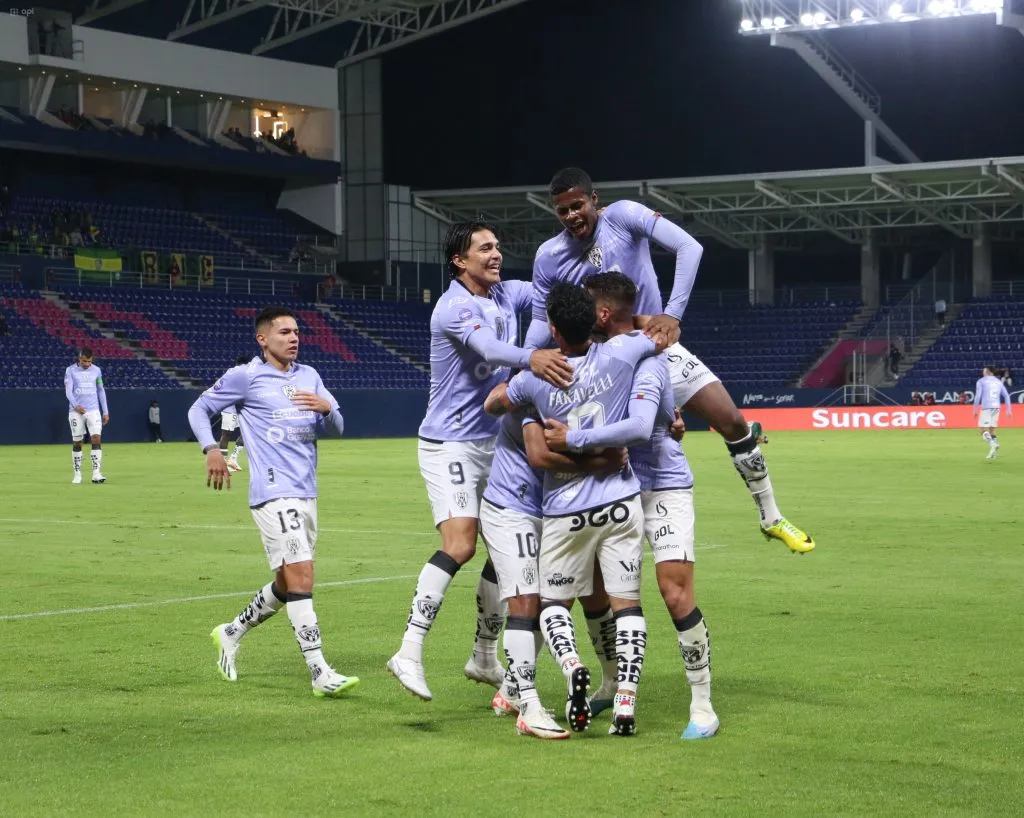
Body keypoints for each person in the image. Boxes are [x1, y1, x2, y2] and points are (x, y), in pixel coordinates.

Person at [528, 167, 814, 554]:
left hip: (655, 346)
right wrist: (528, 358)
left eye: (577, 206)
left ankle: (771, 517)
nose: (571, 216)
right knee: (598, 453)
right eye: (561, 211)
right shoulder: (549, 255)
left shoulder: (625, 215)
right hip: (601, 363)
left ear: (594, 200)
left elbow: (689, 247)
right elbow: (537, 320)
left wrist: (673, 314)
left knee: (732, 421)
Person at [388, 221, 573, 703]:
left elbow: (554, 289)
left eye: (497, 246)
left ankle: (484, 656)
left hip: (497, 444)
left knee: (507, 548)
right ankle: (408, 651)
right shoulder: (453, 307)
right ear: (459, 260)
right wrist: (532, 358)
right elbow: (489, 349)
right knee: (461, 544)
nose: (496, 254)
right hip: (450, 444)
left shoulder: (507, 294)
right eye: (484, 248)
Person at [487, 283, 667, 737]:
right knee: (627, 606)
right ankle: (625, 702)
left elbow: (493, 404)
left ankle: (570, 665)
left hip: (566, 508)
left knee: (550, 605)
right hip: (621, 501)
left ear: (552, 327)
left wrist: (527, 365)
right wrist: (646, 326)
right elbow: (664, 333)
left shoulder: (536, 379)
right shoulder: (624, 353)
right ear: (594, 319)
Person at [548, 272, 719, 739]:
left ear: (602, 314)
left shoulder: (646, 356)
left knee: (674, 592)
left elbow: (645, 426)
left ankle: (702, 704)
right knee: (597, 592)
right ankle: (609, 683)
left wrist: (575, 438)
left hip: (661, 484)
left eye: (589, 305)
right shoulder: (594, 356)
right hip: (612, 484)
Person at [187, 306, 357, 697]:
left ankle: (231, 632)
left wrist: (327, 408)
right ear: (263, 339)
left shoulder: (310, 376)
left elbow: (340, 426)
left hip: (306, 492)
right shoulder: (245, 376)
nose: (293, 337)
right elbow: (200, 408)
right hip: (272, 492)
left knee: (287, 581)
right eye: (283, 332)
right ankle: (320, 672)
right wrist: (211, 448)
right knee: (303, 576)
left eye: (296, 331)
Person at [482, 410, 628, 740]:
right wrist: (599, 462)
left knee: (584, 591)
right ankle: (529, 709)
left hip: (558, 509)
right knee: (526, 600)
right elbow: (537, 452)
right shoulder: (534, 378)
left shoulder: (582, 378)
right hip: (512, 507)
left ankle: (510, 690)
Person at [64, 347, 108, 484]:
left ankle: (96, 473)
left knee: (96, 439)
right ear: (79, 358)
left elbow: (101, 390)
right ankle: (77, 474)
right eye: (84, 361)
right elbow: (68, 391)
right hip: (76, 411)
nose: (86, 364)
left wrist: (105, 411)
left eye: (89, 361)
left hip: (93, 410)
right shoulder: (70, 370)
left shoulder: (96, 370)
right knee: (78, 442)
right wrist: (76, 405)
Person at [218, 354, 251, 472]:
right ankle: (223, 463)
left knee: (246, 432)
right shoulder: (232, 373)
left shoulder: (246, 375)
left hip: (241, 408)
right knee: (226, 434)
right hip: (230, 408)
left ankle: (233, 459)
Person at [973, 366, 1012, 461]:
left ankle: (993, 444)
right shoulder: (998, 382)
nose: (982, 372)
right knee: (992, 431)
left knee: (983, 429)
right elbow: (1006, 396)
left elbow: (978, 396)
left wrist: (975, 409)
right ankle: (993, 454)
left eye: (984, 370)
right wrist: (1008, 410)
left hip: (986, 407)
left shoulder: (981, 381)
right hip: (996, 407)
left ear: (988, 371)